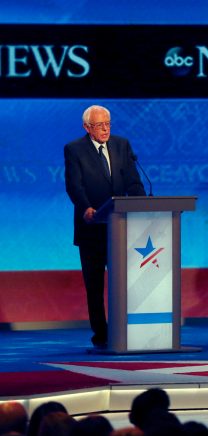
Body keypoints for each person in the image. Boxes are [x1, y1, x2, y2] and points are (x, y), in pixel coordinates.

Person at [64, 105, 146, 349]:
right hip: (91, 228)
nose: (106, 128)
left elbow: (133, 181)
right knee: (95, 285)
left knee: (127, 281)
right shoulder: (74, 149)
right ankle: (102, 333)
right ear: (87, 127)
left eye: (108, 123)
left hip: (121, 229)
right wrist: (85, 207)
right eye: (100, 125)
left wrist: (143, 207)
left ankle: (130, 328)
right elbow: (74, 185)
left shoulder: (122, 145)